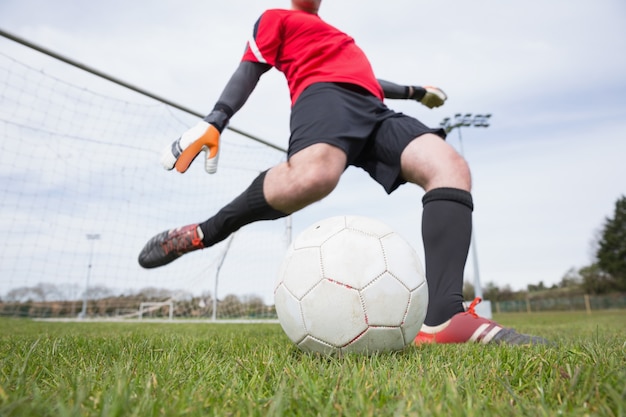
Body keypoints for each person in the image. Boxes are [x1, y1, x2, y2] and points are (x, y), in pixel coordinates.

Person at [139, 0, 548, 345]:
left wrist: (416, 92)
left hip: (373, 109)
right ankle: (202, 232)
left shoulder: (339, 36)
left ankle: (444, 316)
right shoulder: (276, 19)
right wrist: (217, 118)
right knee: (314, 177)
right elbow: (249, 68)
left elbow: (370, 80)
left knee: (448, 165)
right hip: (322, 98)